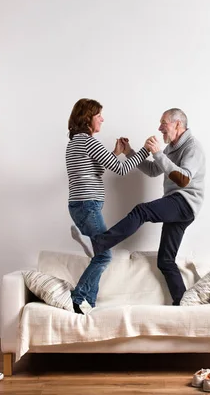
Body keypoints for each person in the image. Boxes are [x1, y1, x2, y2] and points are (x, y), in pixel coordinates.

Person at [72, 108, 206, 305]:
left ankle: (99, 243)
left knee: (142, 211)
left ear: (178, 124)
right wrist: (130, 153)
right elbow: (153, 170)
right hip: (177, 205)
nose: (160, 128)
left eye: (164, 123)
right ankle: (184, 305)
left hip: (185, 202)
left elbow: (184, 179)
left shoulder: (193, 147)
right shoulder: (171, 148)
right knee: (165, 261)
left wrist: (158, 153)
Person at [66, 98, 152, 314]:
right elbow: (120, 170)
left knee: (99, 254)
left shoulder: (74, 142)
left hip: (78, 206)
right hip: (88, 206)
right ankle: (77, 298)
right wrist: (144, 151)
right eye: (98, 116)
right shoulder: (88, 141)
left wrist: (115, 153)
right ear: (87, 118)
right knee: (104, 255)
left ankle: (89, 305)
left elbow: (96, 170)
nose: (102, 119)